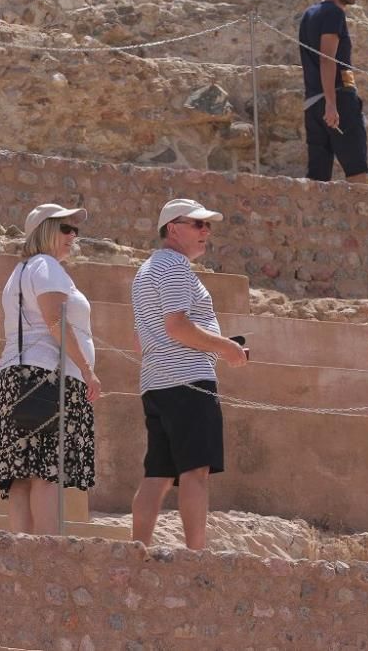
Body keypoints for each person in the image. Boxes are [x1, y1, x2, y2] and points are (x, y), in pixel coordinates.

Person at [130, 198, 248, 550]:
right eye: (197, 224)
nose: (206, 231)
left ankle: (137, 550)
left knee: (158, 474)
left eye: (207, 225)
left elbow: (141, 337)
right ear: (172, 228)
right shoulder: (176, 267)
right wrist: (226, 347)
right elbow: (177, 326)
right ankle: (196, 555)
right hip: (189, 381)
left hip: (155, 381)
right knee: (195, 471)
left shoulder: (145, 270)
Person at [0, 204, 101, 535]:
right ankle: (49, 551)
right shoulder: (48, 266)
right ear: (44, 231)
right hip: (47, 378)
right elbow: (55, 321)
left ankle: (23, 549)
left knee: (21, 473)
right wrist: (87, 370)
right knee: (47, 471)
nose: (73, 237)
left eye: (75, 231)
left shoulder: (21, 271)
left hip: (14, 378)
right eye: (65, 229)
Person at [298, 0, 368, 183]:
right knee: (357, 172)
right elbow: (326, 58)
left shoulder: (308, 14)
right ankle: (359, 214)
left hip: (312, 104)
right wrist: (331, 103)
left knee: (317, 179)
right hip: (338, 101)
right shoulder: (334, 13)